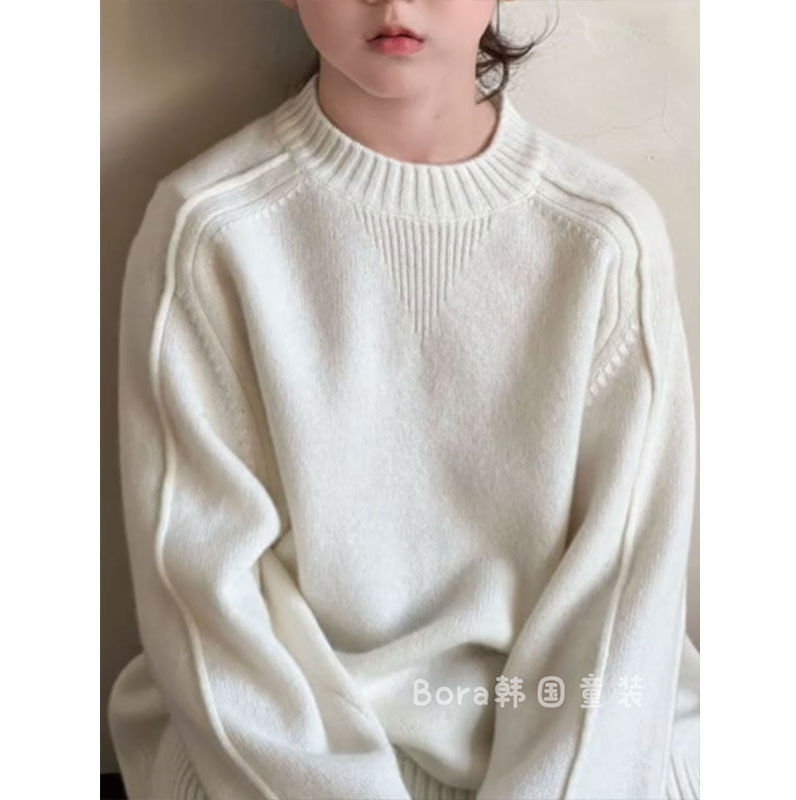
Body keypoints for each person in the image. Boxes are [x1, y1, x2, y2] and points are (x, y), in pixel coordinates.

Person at [107, 1, 700, 798]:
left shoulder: (603, 239)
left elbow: (625, 593)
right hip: (272, 757)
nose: (393, 2)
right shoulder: (208, 231)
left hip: (579, 747)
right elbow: (205, 602)